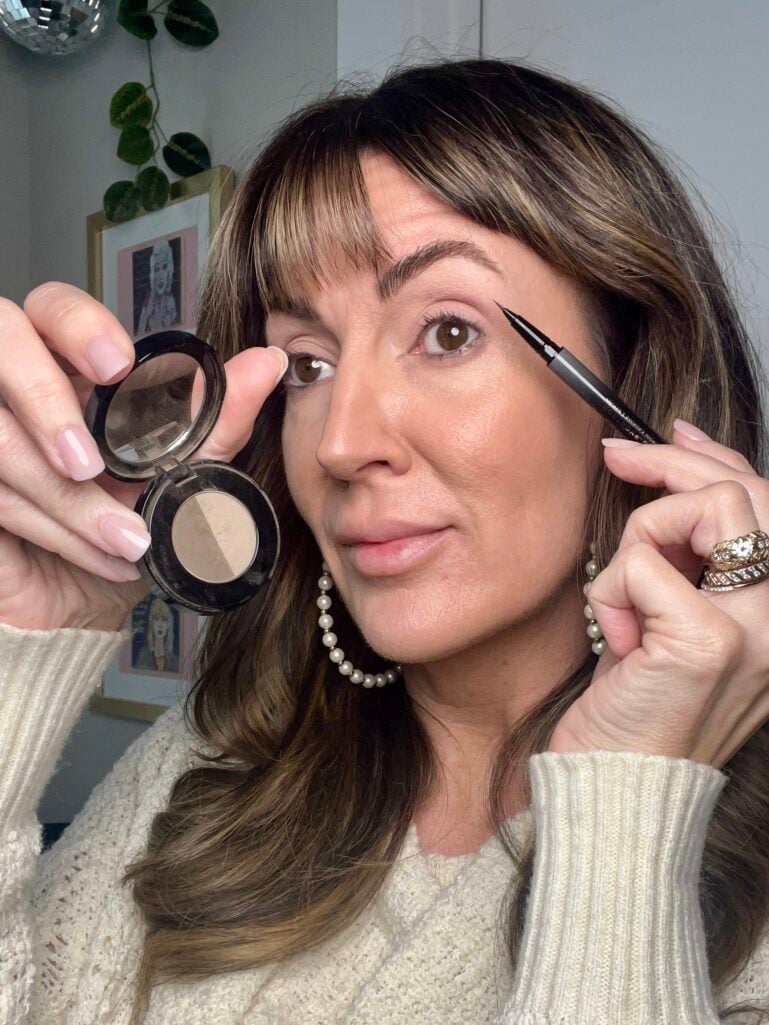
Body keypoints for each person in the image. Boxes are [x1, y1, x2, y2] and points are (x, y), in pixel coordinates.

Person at [1, 56, 769, 1025]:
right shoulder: (214, 762)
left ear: (631, 379)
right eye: (310, 363)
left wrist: (630, 801)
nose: (342, 440)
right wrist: (23, 639)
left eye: (446, 333)